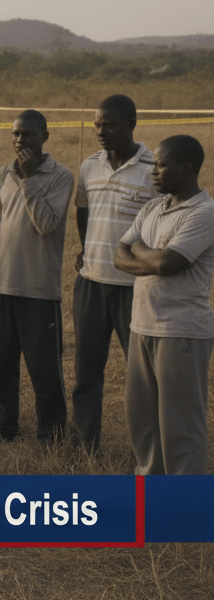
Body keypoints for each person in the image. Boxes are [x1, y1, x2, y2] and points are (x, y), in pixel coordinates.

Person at [115, 135, 214, 475]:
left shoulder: (204, 212)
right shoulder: (154, 207)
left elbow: (165, 264)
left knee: (180, 430)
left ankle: (184, 515)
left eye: (160, 165)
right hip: (141, 325)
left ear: (186, 168)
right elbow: (119, 255)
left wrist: (142, 251)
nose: (152, 172)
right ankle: (152, 507)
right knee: (144, 425)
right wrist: (150, 255)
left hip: (180, 331)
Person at [0, 109, 74, 444]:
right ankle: (3, 427)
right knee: (1, 364)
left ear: (45, 137)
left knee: (44, 367)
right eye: (16, 134)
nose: (21, 140)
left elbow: (47, 224)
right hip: (2, 284)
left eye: (29, 134)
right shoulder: (2, 175)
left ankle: (51, 433)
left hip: (39, 288)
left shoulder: (60, 176)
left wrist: (31, 178)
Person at [72, 95, 156, 452]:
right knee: (86, 373)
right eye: (97, 124)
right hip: (91, 283)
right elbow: (83, 212)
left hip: (133, 288)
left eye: (110, 124)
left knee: (142, 375)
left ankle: (150, 448)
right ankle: (84, 443)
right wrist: (87, 249)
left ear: (132, 123)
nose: (101, 131)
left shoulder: (154, 167)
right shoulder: (89, 165)